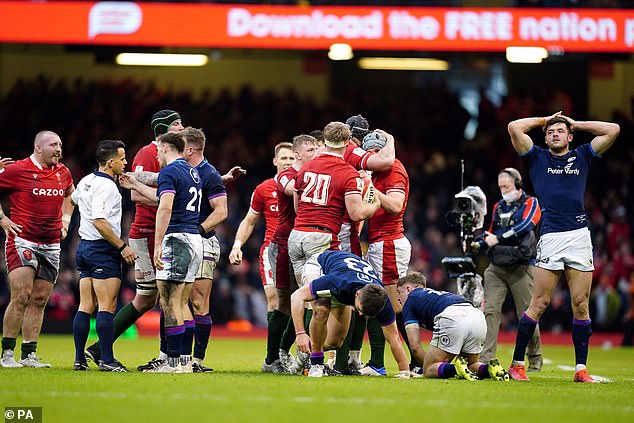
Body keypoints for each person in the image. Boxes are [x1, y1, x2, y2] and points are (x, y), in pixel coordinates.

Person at [507, 111, 620, 382]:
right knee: (540, 303)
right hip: (551, 236)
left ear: (570, 137)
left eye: (560, 131)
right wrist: (543, 120)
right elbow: (514, 127)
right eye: (550, 132)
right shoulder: (537, 157)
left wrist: (577, 123)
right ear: (545, 139)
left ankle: (581, 370)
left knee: (581, 304)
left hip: (579, 235)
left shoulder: (582, 155)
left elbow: (613, 129)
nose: (554, 134)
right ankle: (517, 364)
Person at [0, 131, 75, 368]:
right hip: (22, 240)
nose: (59, 149)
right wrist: (2, 219)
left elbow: (71, 194)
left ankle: (29, 355)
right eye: (54, 145)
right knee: (21, 296)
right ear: (38, 148)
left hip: (52, 243)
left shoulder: (63, 172)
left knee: (40, 300)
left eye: (60, 145)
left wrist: (65, 219)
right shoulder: (18, 169)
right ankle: (7, 354)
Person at [290, 250, 411, 378]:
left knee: (334, 343)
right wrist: (300, 333)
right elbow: (297, 296)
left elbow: (394, 337)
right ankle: (316, 364)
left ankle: (305, 352)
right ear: (357, 294)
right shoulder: (337, 282)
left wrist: (404, 371)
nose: (359, 314)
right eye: (360, 309)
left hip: (347, 278)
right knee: (321, 309)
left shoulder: (382, 299)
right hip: (320, 265)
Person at [359, 129, 420, 376]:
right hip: (380, 243)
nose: (373, 159)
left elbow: (395, 206)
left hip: (389, 243)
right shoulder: (380, 170)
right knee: (378, 303)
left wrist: (369, 186)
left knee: (392, 307)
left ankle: (416, 361)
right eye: (369, 154)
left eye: (376, 153)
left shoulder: (393, 168)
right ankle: (379, 362)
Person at [71, 140, 135, 372]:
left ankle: (79, 359)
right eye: (122, 158)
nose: (125, 162)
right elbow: (100, 220)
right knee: (107, 306)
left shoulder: (87, 180)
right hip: (102, 250)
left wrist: (67, 221)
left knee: (85, 305)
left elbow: (72, 200)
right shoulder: (107, 187)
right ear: (111, 163)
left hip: (84, 247)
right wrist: (122, 247)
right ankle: (107, 360)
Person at [472, 167, 543, 371]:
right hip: (497, 267)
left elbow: (527, 225)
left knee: (527, 314)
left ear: (518, 184)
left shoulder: (531, 203)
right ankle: (484, 360)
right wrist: (477, 243)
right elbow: (492, 234)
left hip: (521, 267)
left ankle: (535, 357)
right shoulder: (498, 207)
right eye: (501, 186)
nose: (503, 190)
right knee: (490, 311)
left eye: (507, 186)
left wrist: (498, 239)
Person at [263, 135, 318, 373]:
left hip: (307, 244)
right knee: (284, 301)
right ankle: (272, 359)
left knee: (309, 299)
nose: (316, 153)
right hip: (284, 245)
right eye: (311, 150)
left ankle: (291, 355)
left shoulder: (312, 173)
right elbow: (291, 189)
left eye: (317, 149)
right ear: (298, 155)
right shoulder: (287, 176)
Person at [153, 131, 204, 372]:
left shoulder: (169, 172)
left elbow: (164, 208)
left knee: (169, 302)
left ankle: (172, 362)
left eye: (157, 150)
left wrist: (156, 245)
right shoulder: (192, 171)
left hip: (176, 239)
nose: (156, 154)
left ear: (164, 147)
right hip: (195, 238)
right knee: (183, 303)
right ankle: (184, 361)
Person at [396, 272, 509, 381]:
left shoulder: (410, 299)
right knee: (471, 364)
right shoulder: (433, 295)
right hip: (477, 316)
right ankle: (490, 369)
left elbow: (415, 347)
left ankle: (455, 369)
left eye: (398, 292)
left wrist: (426, 368)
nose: (398, 299)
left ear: (407, 289)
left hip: (454, 316)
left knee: (430, 368)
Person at [229, 142, 295, 321]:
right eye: (284, 158)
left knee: (299, 302)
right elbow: (249, 221)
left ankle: (296, 347)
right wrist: (237, 246)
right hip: (272, 250)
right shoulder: (263, 189)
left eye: (291, 158)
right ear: (275, 161)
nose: (288, 162)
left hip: (299, 249)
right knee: (274, 300)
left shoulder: (303, 186)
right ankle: (274, 350)